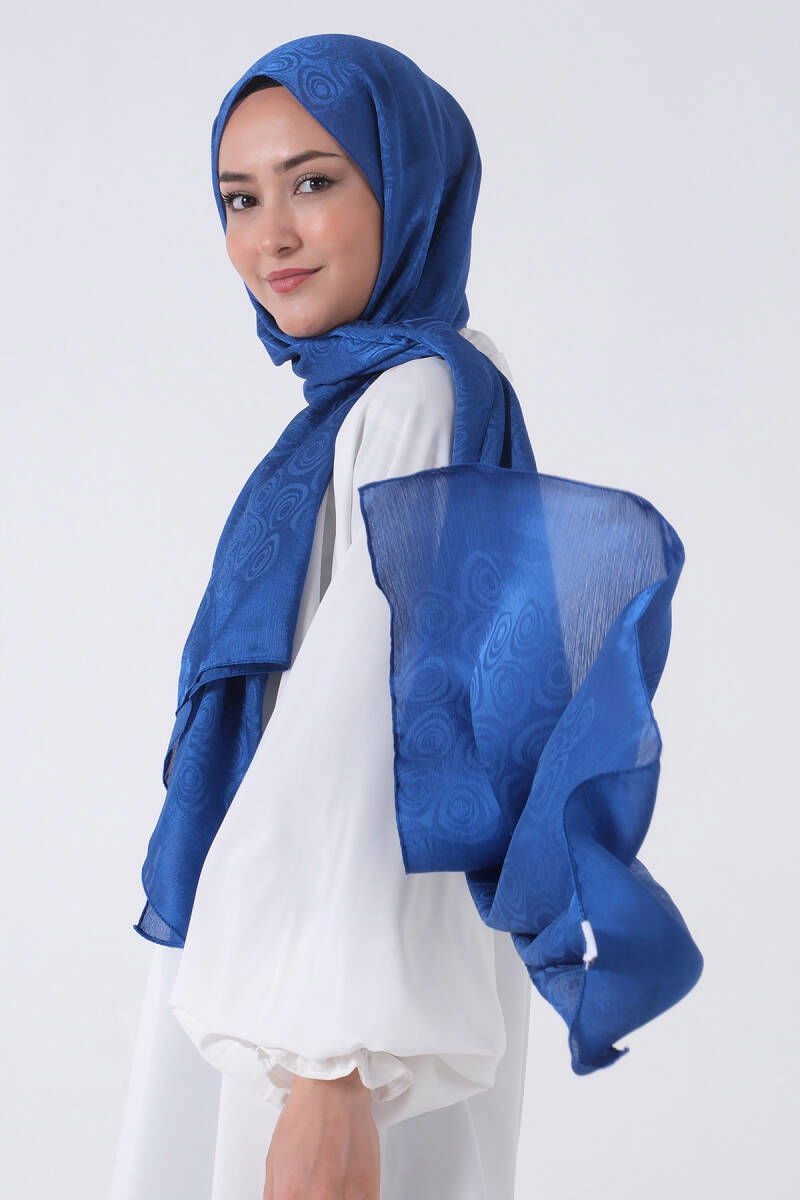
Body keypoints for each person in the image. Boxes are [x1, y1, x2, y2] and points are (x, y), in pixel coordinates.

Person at [112, 32, 702, 1200]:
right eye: (239, 198)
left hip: (334, 1002)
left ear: (408, 185)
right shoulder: (372, 400)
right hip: (304, 967)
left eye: (313, 182)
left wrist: (331, 1070)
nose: (270, 236)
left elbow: (377, 734)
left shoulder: (419, 399)